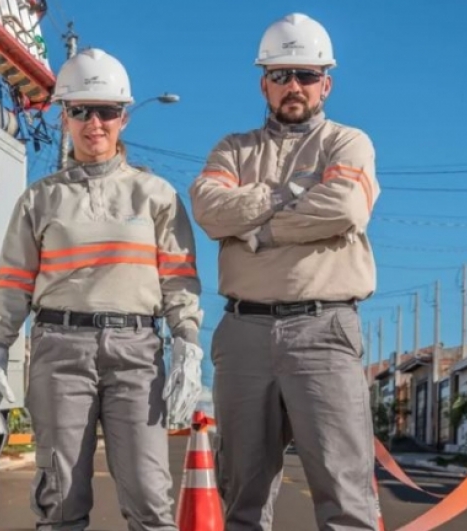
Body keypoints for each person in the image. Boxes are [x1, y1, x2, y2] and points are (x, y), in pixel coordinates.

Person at [0, 47, 204, 531]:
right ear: (64, 117)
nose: (94, 123)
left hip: (137, 353)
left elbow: (178, 278)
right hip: (60, 351)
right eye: (81, 110)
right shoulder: (40, 200)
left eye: (106, 111)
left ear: (124, 117)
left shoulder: (156, 196)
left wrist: (186, 341)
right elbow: (14, 280)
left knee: (148, 497)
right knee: (60, 499)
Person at [189, 12, 381, 531]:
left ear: (327, 83)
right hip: (244, 332)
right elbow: (208, 209)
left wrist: (259, 232)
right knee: (241, 496)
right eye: (280, 75)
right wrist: (286, 192)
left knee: (345, 494)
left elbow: (342, 208)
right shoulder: (233, 148)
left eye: (306, 75)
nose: (293, 86)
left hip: (324, 331)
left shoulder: (347, 143)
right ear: (264, 84)